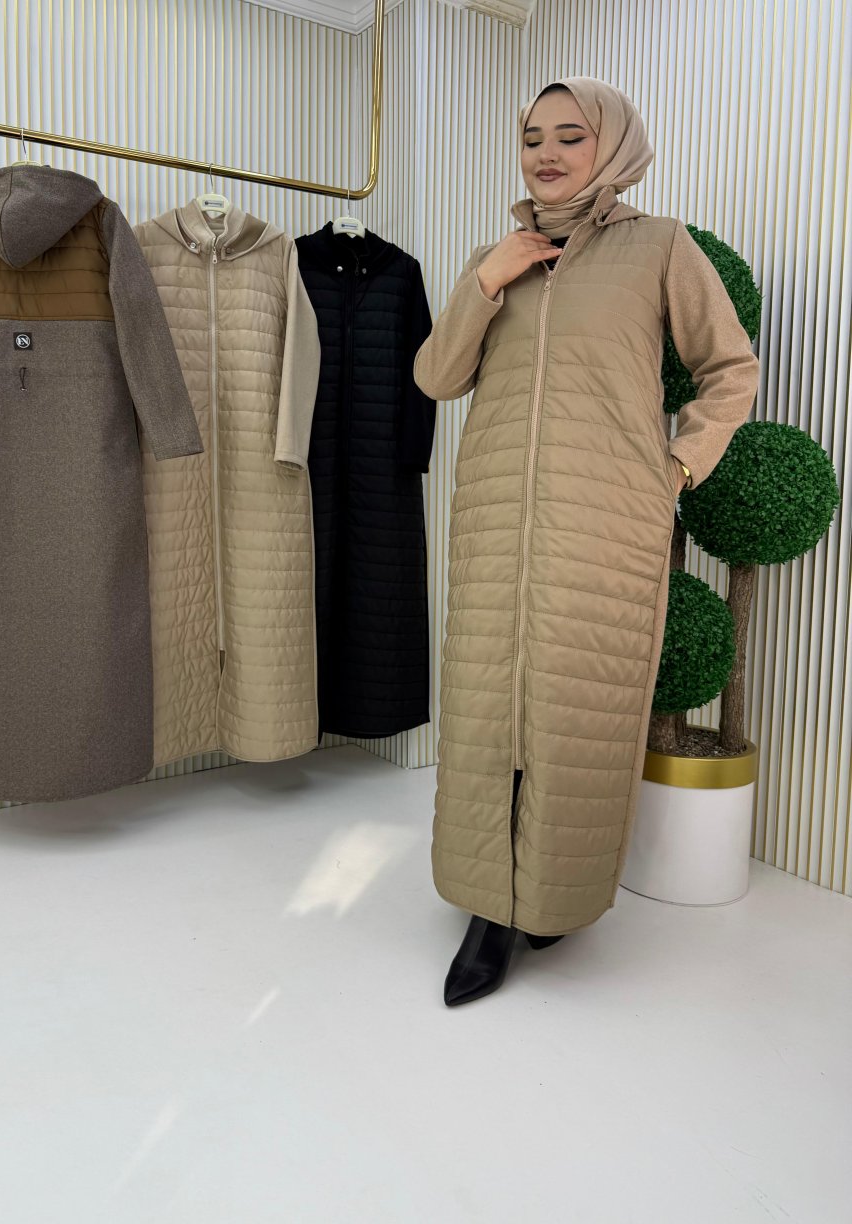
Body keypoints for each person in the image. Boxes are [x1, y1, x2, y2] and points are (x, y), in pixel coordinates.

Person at [414, 77, 760, 1007]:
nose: (548, 154)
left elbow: (730, 367)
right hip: (496, 516)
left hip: (607, 517)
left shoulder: (660, 246)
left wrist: (677, 466)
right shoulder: (496, 257)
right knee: (489, 706)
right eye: (533, 138)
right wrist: (487, 282)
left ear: (612, 146)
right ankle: (490, 910)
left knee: (576, 709)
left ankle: (551, 898)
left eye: (570, 136)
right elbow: (437, 377)